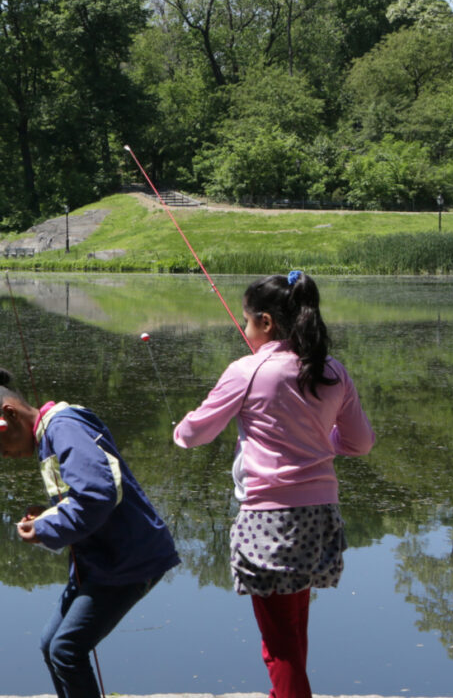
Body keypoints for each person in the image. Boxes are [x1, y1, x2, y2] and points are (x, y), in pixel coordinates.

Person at [174, 271, 374, 698]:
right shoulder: (332, 370)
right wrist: (323, 441)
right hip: (321, 519)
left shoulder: (248, 370)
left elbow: (195, 434)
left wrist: (180, 430)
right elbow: (359, 443)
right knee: (292, 629)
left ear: (266, 322)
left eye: (247, 322)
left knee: (278, 645)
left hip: (269, 522)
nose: (245, 330)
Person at [0, 367, 178, 698]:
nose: (4, 454)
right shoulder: (50, 436)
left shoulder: (64, 428)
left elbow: (98, 496)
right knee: (51, 645)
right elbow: (81, 496)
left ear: (9, 413)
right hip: (102, 564)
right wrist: (48, 512)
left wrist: (44, 528)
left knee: (66, 650)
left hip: (130, 561)